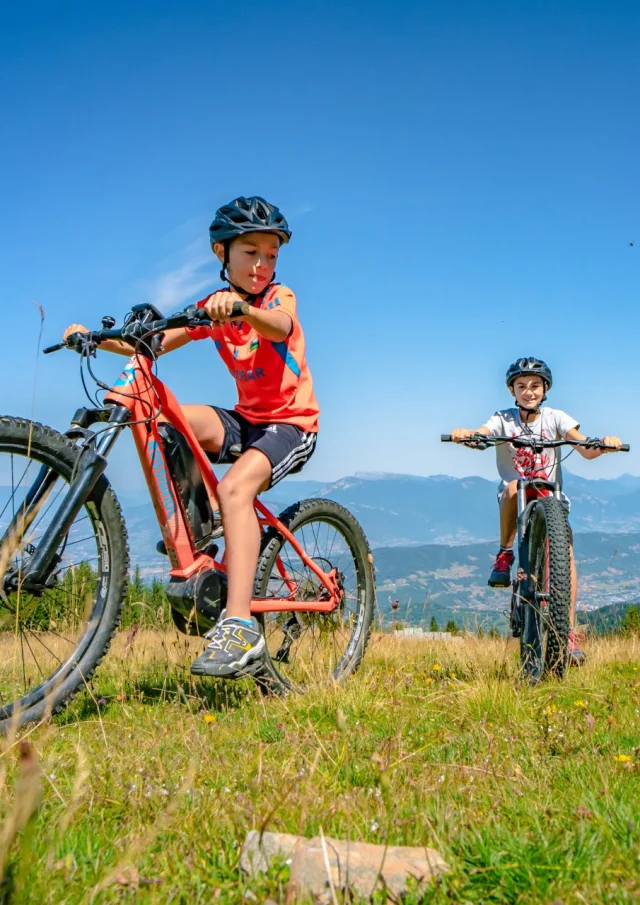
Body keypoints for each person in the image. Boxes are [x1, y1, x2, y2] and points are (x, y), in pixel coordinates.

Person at [63, 196, 319, 678]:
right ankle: (198, 530)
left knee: (234, 489)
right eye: (250, 252)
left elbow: (280, 325)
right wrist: (95, 338)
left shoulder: (275, 298)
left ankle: (241, 626)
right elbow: (151, 344)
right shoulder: (210, 309)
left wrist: (241, 308)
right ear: (220, 253)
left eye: (271, 254)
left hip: (292, 425)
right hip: (247, 419)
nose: (262, 264)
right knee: (163, 420)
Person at [449, 357, 622, 664]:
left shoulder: (556, 417)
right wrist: (468, 435)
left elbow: (582, 445)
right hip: (517, 494)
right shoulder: (503, 418)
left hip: (550, 497)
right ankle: (505, 552)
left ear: (545, 389)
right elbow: (483, 434)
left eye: (535, 386)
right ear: (512, 391)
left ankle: (566, 631)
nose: (529, 392)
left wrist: (604, 444)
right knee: (515, 485)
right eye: (521, 386)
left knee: (566, 556)